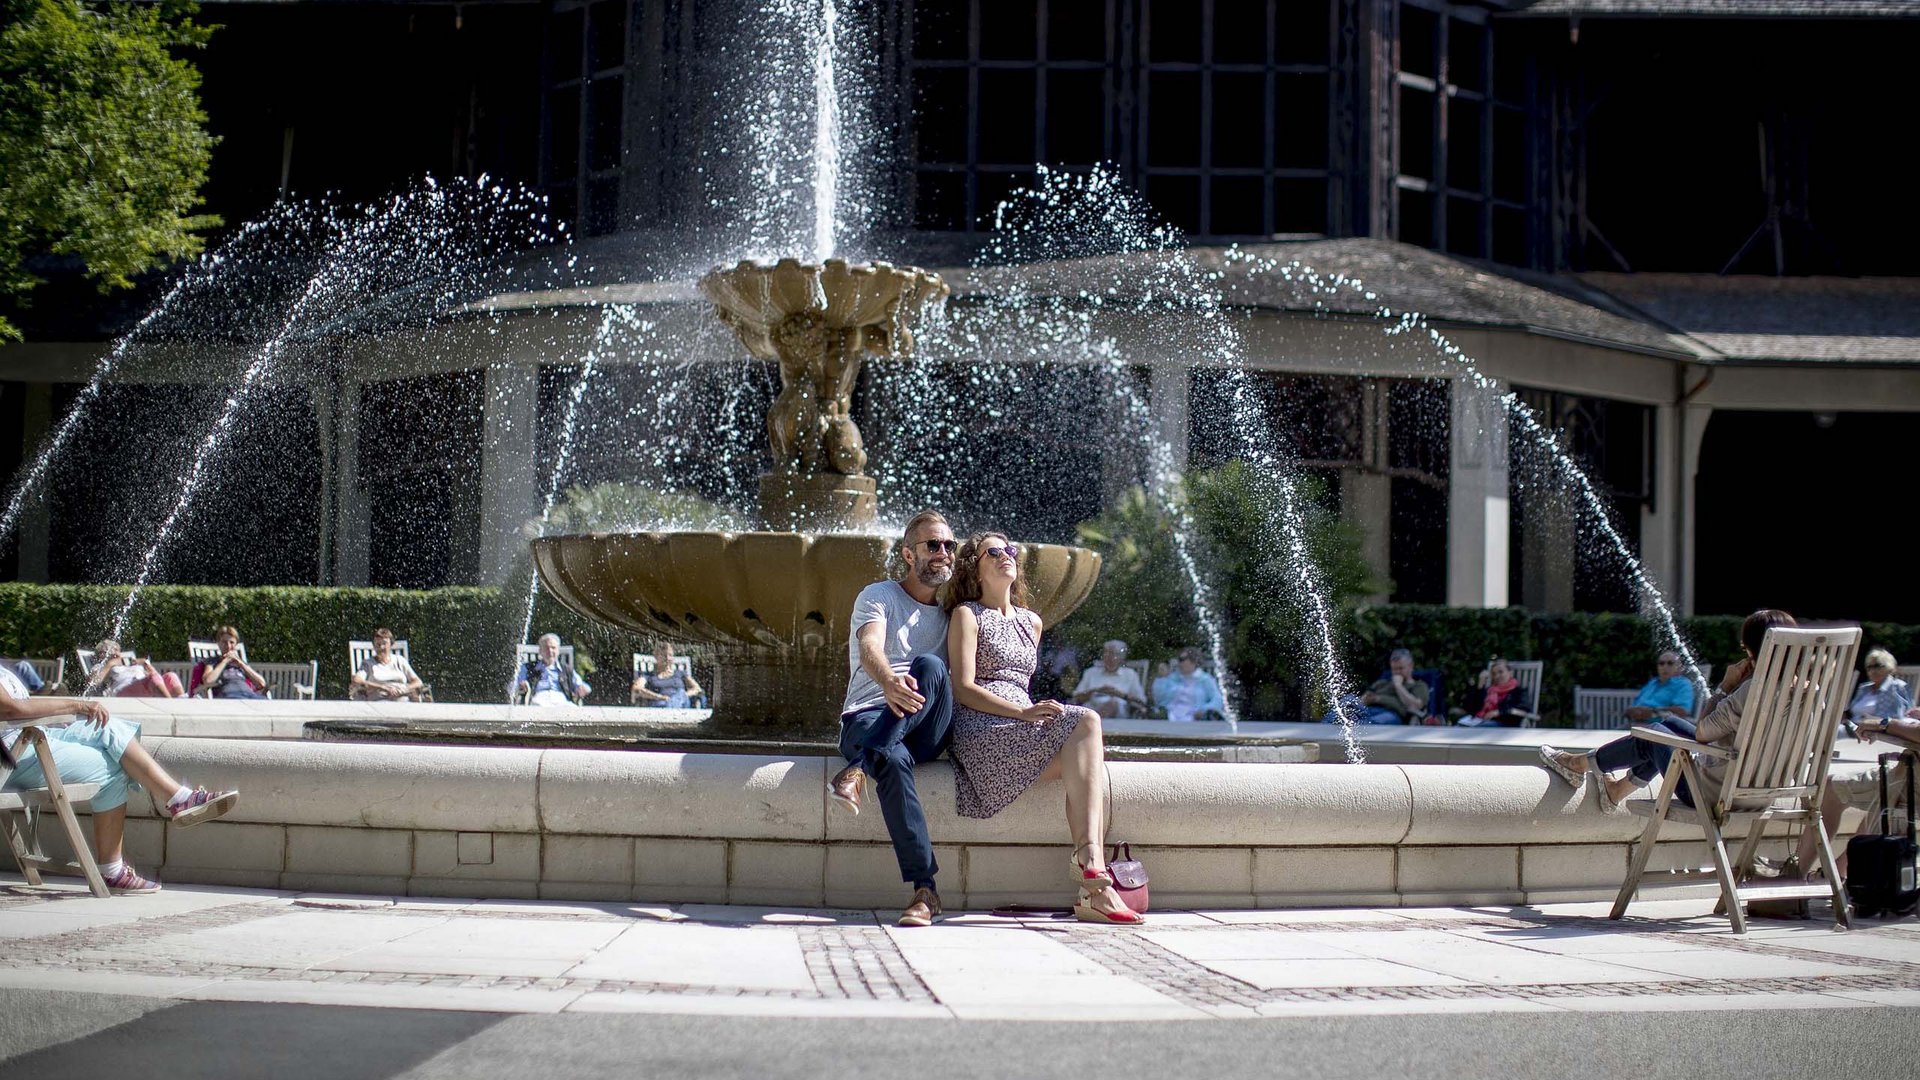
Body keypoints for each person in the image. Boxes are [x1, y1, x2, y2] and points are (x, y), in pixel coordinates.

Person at [945, 532, 1142, 925]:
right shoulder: (967, 614)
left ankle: (1095, 882)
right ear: (977, 568)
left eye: (1010, 551)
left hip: (1020, 724)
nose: (1006, 557)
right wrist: (1022, 714)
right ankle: (1092, 869)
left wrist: (1028, 714)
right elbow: (962, 689)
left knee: (1084, 758)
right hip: (981, 729)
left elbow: (1022, 685)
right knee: (1086, 721)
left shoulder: (1031, 622)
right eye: (994, 552)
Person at [1, 665, 239, 893]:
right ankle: (114, 868)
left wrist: (70, 710)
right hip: (16, 754)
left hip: (26, 741)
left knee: (107, 727)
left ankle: (180, 798)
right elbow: (10, 709)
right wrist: (76, 704)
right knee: (114, 766)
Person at [829, 510, 957, 928]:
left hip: (926, 727)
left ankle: (859, 767)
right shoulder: (879, 594)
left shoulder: (956, 613)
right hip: (868, 716)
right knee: (894, 759)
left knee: (931, 666)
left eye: (949, 546)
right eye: (932, 545)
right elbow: (869, 645)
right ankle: (926, 890)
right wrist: (888, 682)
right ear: (907, 553)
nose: (943, 553)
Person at [1540, 609, 1797, 814]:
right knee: (1670, 724)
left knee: (1653, 734)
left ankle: (1579, 764)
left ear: (1753, 650)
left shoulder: (1753, 689)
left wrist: (1725, 687)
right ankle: (1617, 790)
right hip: (1760, 796)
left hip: (1713, 796)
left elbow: (1703, 731)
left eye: (1745, 648)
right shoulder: (1811, 693)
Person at [1323, 648, 1429, 725]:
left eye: (1401, 668)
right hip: (1368, 709)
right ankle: (1322, 729)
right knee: (1348, 699)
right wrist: (1366, 699)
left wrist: (1398, 686)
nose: (1397, 672)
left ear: (1410, 666)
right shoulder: (1382, 683)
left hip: (1392, 714)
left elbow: (1416, 706)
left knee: (1370, 724)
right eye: (1394, 669)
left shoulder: (1418, 686)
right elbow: (1362, 700)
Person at [1070, 640, 1149, 719]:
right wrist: (1095, 691)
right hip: (1091, 709)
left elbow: (1141, 701)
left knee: (1113, 703)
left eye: (1114, 655)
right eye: (1106, 654)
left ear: (1121, 658)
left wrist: (1119, 694)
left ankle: (1095, 724)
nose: (1110, 658)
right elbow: (1076, 697)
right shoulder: (1091, 672)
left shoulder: (1130, 674)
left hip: (1118, 715)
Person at [83, 640, 183, 699]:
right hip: (122, 693)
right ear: (102, 654)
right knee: (153, 678)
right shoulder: (101, 666)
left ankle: (183, 703)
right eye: (110, 649)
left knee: (171, 676)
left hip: (143, 686)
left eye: (117, 649)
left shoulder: (129, 663)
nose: (116, 652)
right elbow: (92, 682)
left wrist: (145, 664)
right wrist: (110, 664)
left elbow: (156, 677)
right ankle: (171, 706)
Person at [190, 626, 268, 700]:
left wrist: (242, 664)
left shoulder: (240, 663)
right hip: (229, 697)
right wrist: (225, 661)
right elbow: (207, 681)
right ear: (218, 643)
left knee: (266, 704)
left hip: (249, 695)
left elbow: (261, 684)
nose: (228, 646)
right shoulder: (212, 661)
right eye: (224, 642)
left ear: (236, 644)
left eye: (232, 642)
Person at [511, 633, 591, 706]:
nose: (550, 651)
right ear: (540, 651)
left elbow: (582, 686)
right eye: (546, 648)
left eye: (553, 648)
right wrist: (520, 685)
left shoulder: (566, 669)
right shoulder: (528, 667)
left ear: (558, 650)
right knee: (539, 706)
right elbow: (511, 687)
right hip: (539, 698)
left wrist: (583, 688)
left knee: (572, 710)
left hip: (561, 699)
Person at [349, 628, 427, 702]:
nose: (381, 647)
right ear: (374, 646)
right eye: (378, 644)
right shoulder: (368, 664)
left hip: (404, 701)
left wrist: (403, 689)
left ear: (391, 644)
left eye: (384, 643)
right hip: (379, 704)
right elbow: (357, 680)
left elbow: (418, 682)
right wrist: (382, 687)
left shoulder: (400, 661)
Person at [1152, 647, 1226, 723]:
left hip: (1196, 719)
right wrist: (1162, 678)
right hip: (1169, 717)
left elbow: (1217, 700)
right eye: (1179, 660)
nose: (1179, 663)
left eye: (1182, 659)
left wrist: (1204, 710)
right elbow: (1159, 700)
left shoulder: (1205, 679)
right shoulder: (1173, 678)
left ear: (1193, 661)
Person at [1456, 658, 1531, 727]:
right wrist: (1480, 685)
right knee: (1459, 726)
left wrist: (1498, 712)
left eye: (1500, 672)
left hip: (1505, 724)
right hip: (1481, 722)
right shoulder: (1489, 691)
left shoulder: (1519, 691)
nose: (1497, 676)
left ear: (1510, 673)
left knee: (1477, 728)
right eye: (1494, 674)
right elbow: (1471, 708)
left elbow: (1523, 709)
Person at [1624, 650, 1696, 722]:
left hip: (1661, 727)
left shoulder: (1683, 684)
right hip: (1635, 724)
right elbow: (1636, 705)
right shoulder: (1652, 683)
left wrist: (1652, 712)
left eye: (1670, 663)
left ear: (1679, 667)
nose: (1665, 666)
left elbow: (1682, 711)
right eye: (1661, 663)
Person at [1846, 649, 1912, 726]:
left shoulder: (1896, 687)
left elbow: (1900, 717)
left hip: (1874, 731)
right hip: (1853, 726)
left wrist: (1873, 719)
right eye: (1869, 667)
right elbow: (1852, 712)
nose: (1872, 671)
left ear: (1889, 666)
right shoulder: (1864, 688)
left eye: (1877, 666)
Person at [632, 642, 703, 708]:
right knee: (674, 698)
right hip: (660, 705)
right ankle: (671, 705)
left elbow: (697, 688)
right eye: (663, 655)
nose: (667, 658)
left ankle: (672, 704)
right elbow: (636, 689)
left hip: (681, 705)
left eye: (670, 655)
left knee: (681, 692)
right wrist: (659, 697)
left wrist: (683, 696)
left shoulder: (680, 673)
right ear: (656, 656)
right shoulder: (648, 676)